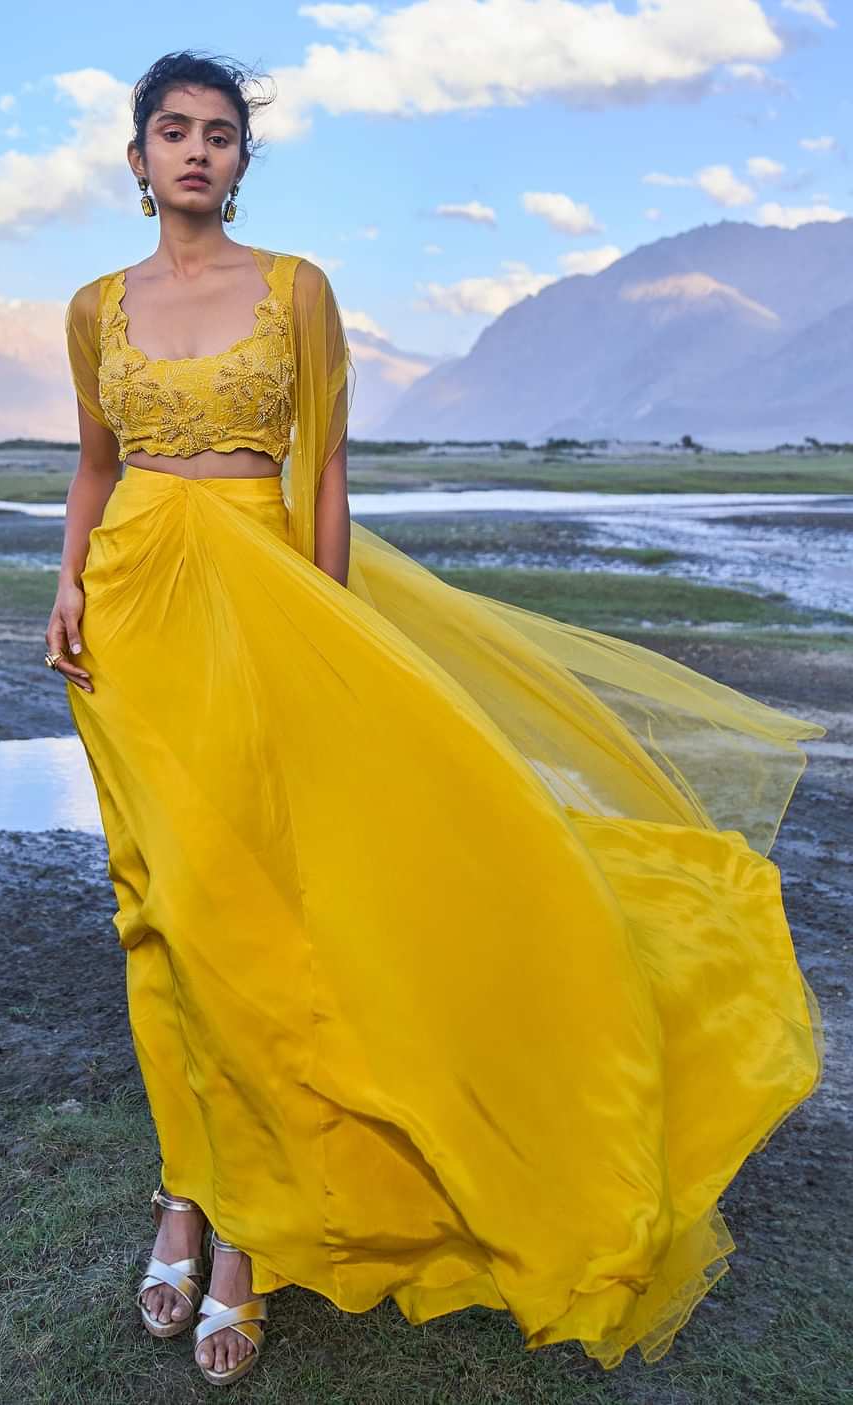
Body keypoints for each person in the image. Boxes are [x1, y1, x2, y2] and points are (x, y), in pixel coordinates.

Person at [48, 48, 826, 1389]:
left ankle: (251, 1237)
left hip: (271, 620)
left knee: (262, 917)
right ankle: (190, 1186)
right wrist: (63, 582)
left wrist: (333, 644)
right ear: (135, 161)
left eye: (220, 135)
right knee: (157, 906)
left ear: (243, 161)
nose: (194, 153)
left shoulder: (296, 291)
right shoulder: (92, 307)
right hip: (129, 624)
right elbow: (96, 464)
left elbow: (328, 466)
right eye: (170, 133)